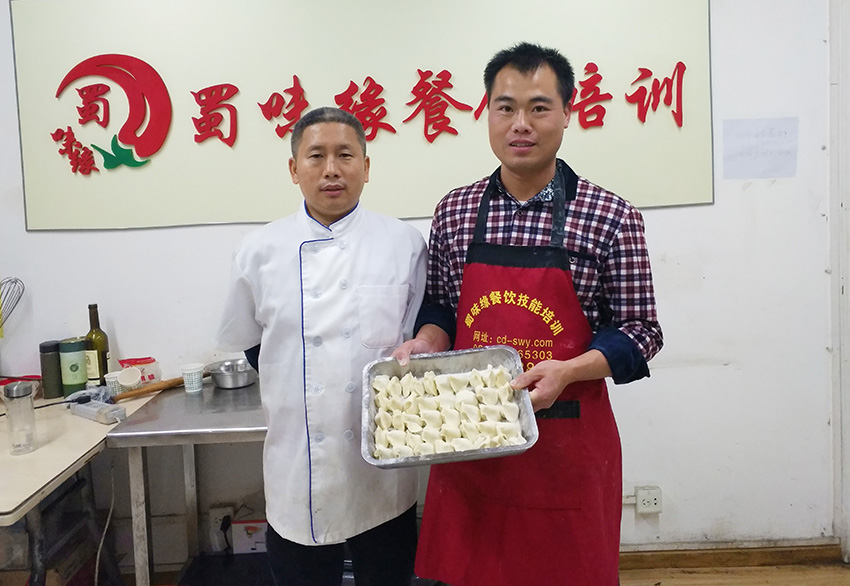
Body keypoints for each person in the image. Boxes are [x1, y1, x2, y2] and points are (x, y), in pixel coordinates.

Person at [393, 43, 664, 585]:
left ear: (568, 111)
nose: (521, 124)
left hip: (567, 448)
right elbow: (443, 305)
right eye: (505, 107)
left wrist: (568, 370)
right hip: (471, 439)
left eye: (539, 108)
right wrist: (425, 342)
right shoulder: (456, 210)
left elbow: (641, 332)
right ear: (486, 113)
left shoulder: (609, 216)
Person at [216, 107, 427, 586]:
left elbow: (414, 340)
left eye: (345, 154)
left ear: (367, 167)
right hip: (298, 464)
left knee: (388, 577)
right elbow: (250, 344)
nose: (331, 169)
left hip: (382, 466)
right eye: (316, 155)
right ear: (294, 169)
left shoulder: (403, 243)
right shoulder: (259, 250)